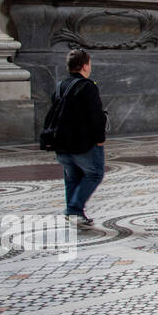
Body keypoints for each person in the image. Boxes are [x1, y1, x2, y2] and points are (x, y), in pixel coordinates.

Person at [49, 48, 107, 225]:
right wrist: (100, 139)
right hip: (82, 143)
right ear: (84, 66)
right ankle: (74, 208)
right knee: (94, 174)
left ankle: (74, 212)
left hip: (61, 143)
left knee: (72, 177)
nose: (90, 67)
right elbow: (95, 116)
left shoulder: (60, 85)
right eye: (89, 63)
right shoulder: (87, 86)